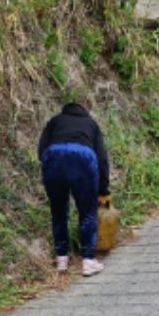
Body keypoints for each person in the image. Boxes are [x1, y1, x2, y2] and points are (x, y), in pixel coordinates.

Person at [37, 102, 110, 277]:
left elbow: (41, 150)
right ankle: (88, 261)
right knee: (87, 211)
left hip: (54, 156)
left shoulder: (55, 121)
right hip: (83, 157)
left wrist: (52, 163)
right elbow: (102, 159)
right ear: (84, 113)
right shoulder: (91, 124)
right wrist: (103, 190)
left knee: (58, 210)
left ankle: (62, 259)